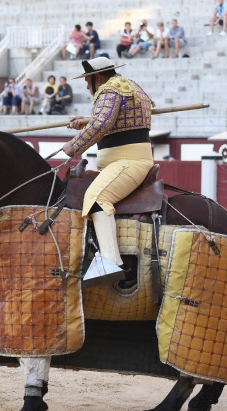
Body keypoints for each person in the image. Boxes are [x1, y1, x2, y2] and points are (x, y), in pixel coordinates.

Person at [60, 57, 154, 285]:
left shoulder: (109, 89)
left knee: (98, 198)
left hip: (127, 161)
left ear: (97, 77)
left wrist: (73, 146)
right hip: (122, 160)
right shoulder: (129, 85)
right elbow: (117, 119)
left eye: (87, 80)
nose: (86, 85)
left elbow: (102, 124)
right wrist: (87, 120)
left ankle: (111, 262)